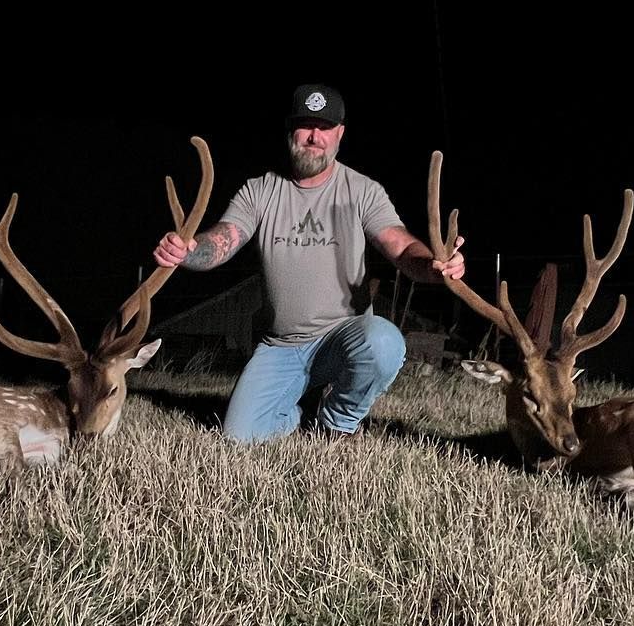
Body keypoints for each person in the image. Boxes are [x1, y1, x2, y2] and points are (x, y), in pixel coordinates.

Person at [152, 83, 466, 442]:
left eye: (325, 127)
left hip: (342, 340)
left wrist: (433, 266)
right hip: (281, 345)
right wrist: (190, 251)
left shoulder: (362, 191)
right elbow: (225, 239)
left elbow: (400, 246)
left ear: (339, 134)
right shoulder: (260, 191)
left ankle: (338, 423)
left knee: (383, 342)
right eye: (305, 125)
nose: (314, 136)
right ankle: (303, 414)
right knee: (239, 436)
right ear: (290, 131)